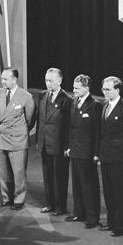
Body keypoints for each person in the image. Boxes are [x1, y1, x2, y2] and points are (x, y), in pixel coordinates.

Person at [96, 76, 123, 237]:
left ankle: (121, 225)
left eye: (108, 89)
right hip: (106, 156)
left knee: (119, 192)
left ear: (117, 90)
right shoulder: (105, 106)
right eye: (103, 89)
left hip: (119, 157)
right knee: (108, 191)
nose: (104, 92)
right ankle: (111, 221)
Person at [0, 68, 35, 209]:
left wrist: (20, 132)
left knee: (18, 172)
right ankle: (6, 197)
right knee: (3, 172)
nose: (2, 81)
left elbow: (30, 119)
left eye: (5, 79)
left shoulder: (26, 97)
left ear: (14, 80)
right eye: (2, 78)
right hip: (2, 137)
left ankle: (18, 199)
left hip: (17, 139)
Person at [65, 74, 103, 228]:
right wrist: (68, 147)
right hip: (75, 150)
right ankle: (79, 213)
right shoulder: (74, 102)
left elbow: (97, 131)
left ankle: (92, 217)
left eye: (77, 88)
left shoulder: (95, 105)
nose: (74, 91)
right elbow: (70, 128)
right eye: (73, 88)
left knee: (89, 186)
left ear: (86, 88)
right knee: (77, 184)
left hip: (87, 153)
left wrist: (96, 153)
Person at [34, 68, 72, 215]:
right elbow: (40, 120)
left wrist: (67, 146)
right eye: (46, 80)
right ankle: (50, 204)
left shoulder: (66, 100)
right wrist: (38, 140)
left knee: (59, 178)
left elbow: (69, 126)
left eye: (51, 81)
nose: (48, 83)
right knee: (48, 177)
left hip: (59, 146)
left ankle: (60, 207)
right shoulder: (42, 96)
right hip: (44, 144)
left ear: (60, 81)